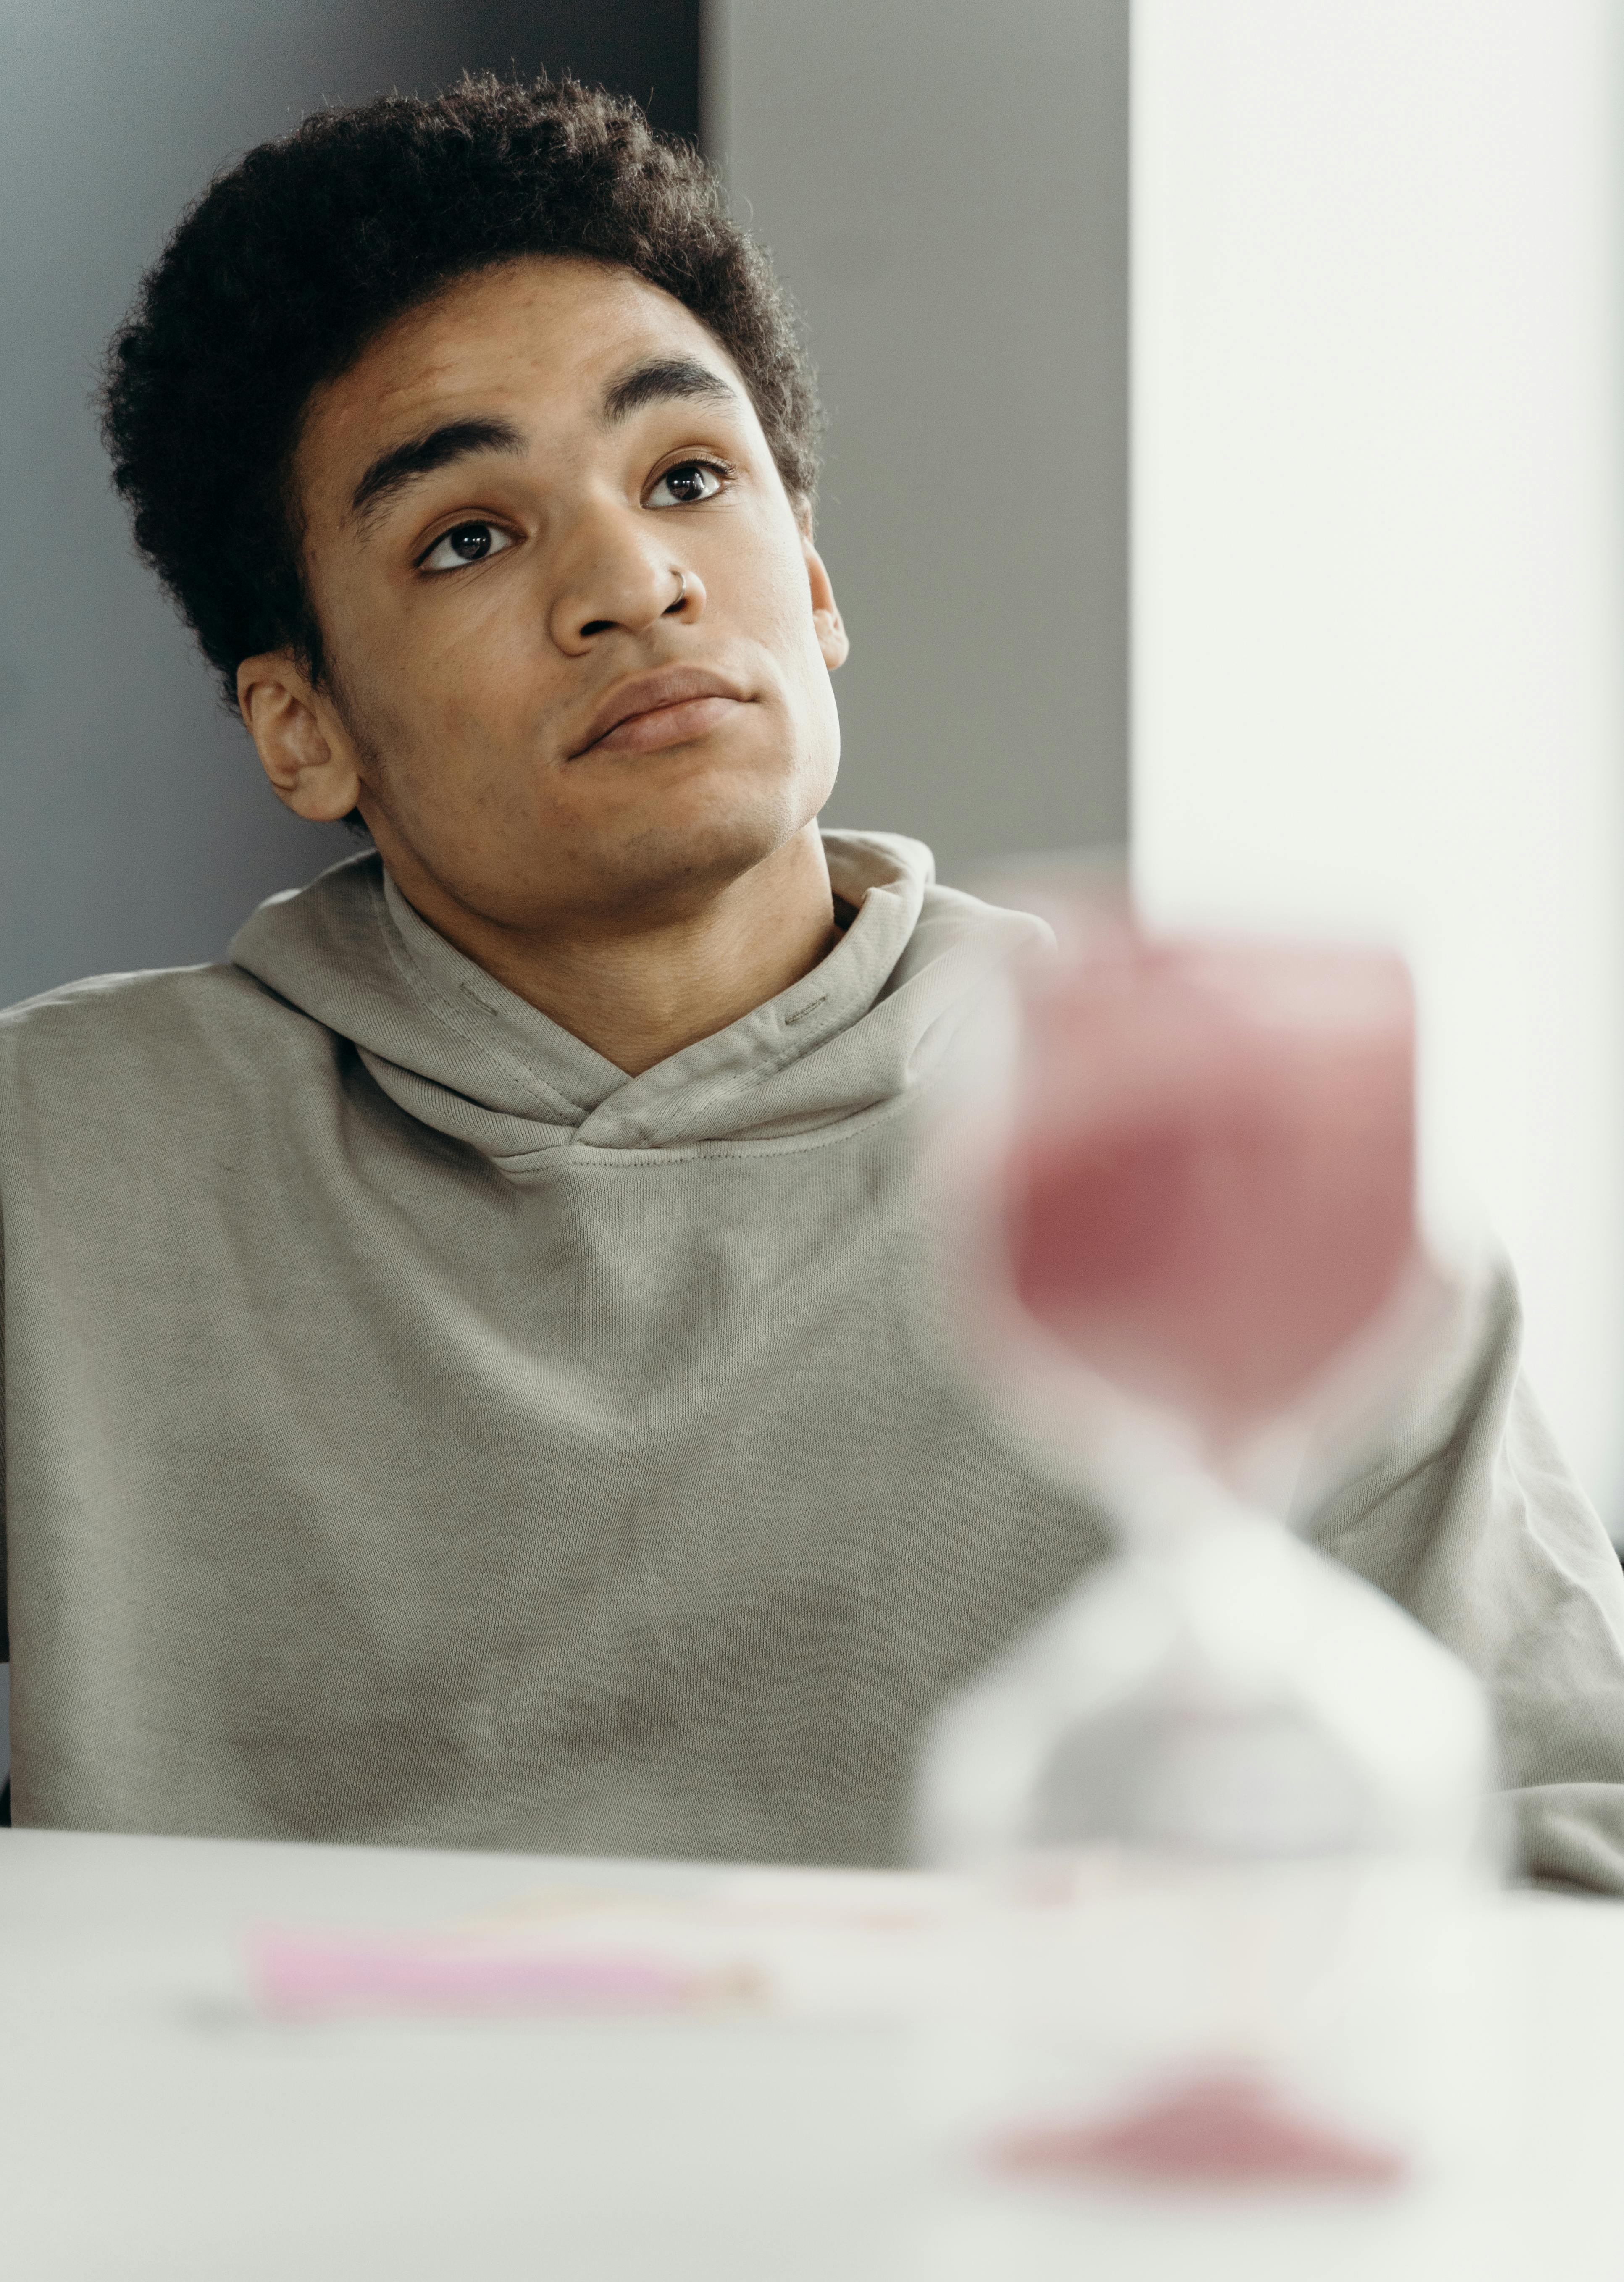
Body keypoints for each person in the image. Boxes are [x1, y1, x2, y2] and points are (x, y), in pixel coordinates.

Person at [3, 75, 1621, 1887]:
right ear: (301, 728)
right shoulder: (54, 1165)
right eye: (470, 535)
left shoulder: (1192, 1118)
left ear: (818, 584)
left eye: (690, 478)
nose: (634, 584)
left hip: (1012, 2154)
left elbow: (1572, 1835)